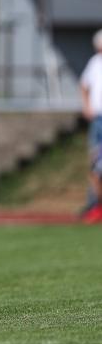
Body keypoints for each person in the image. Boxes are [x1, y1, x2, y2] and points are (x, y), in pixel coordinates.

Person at [79, 29, 102, 215]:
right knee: (95, 162)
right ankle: (94, 204)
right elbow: (84, 86)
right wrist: (87, 106)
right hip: (98, 119)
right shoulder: (94, 63)